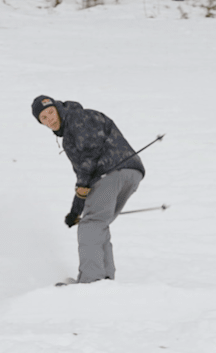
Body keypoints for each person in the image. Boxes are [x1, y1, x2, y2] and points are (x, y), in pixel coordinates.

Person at [32, 95, 145, 284]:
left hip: (110, 172)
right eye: (43, 118)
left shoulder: (78, 118)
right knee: (98, 223)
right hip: (130, 173)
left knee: (91, 224)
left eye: (50, 112)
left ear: (58, 108)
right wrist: (75, 211)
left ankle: (91, 280)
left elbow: (89, 154)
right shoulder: (71, 131)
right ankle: (105, 280)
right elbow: (83, 177)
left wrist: (83, 186)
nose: (49, 119)